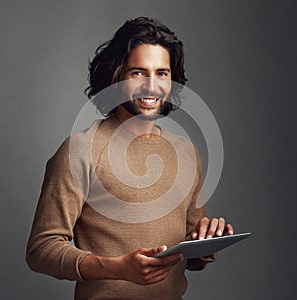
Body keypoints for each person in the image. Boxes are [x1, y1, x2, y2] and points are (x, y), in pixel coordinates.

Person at [26, 17, 234, 300]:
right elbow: (41, 249)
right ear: (116, 77)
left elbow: (190, 253)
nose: (151, 85)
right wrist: (116, 268)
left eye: (162, 73)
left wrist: (205, 243)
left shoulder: (186, 152)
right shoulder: (80, 150)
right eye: (138, 72)